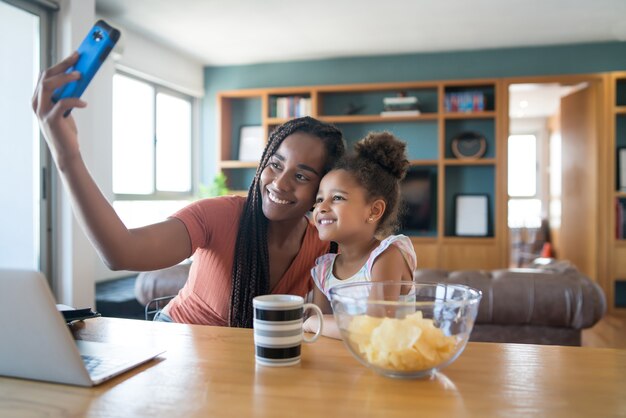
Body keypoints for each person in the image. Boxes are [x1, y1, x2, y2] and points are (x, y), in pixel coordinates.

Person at [31, 53, 346, 328]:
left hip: (242, 369)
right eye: (275, 165)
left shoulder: (324, 244)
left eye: (302, 176)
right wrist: (67, 157)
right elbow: (120, 251)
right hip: (175, 346)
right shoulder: (219, 216)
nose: (279, 183)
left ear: (323, 186)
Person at [303, 132, 417, 338]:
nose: (321, 207)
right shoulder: (323, 270)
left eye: (337, 198)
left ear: (373, 211)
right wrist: (315, 323)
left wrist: (312, 321)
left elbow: (375, 327)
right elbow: (319, 335)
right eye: (319, 200)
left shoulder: (388, 256)